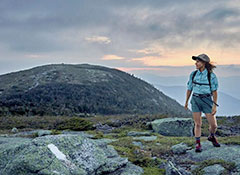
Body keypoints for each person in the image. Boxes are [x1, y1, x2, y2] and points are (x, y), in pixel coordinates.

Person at [185, 53, 220, 153]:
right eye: (196, 61)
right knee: (198, 123)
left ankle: (212, 136)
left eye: (198, 61)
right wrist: (186, 102)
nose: (196, 63)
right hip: (195, 99)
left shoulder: (211, 76)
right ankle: (198, 143)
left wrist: (214, 105)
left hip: (207, 100)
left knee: (213, 125)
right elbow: (189, 89)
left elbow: (214, 92)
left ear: (204, 63)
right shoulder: (193, 74)